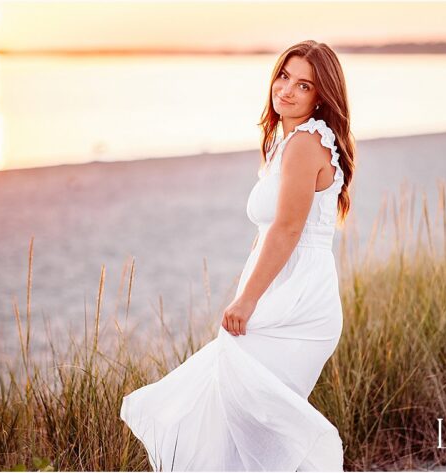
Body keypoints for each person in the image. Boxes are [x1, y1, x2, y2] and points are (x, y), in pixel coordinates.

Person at [120, 39, 355, 471]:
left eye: (303, 85)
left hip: (299, 302)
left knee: (249, 411)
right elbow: (268, 232)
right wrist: (248, 291)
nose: (286, 89)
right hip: (281, 290)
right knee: (238, 413)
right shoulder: (282, 144)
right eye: (284, 76)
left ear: (320, 96)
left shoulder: (305, 144)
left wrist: (247, 299)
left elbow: (287, 229)